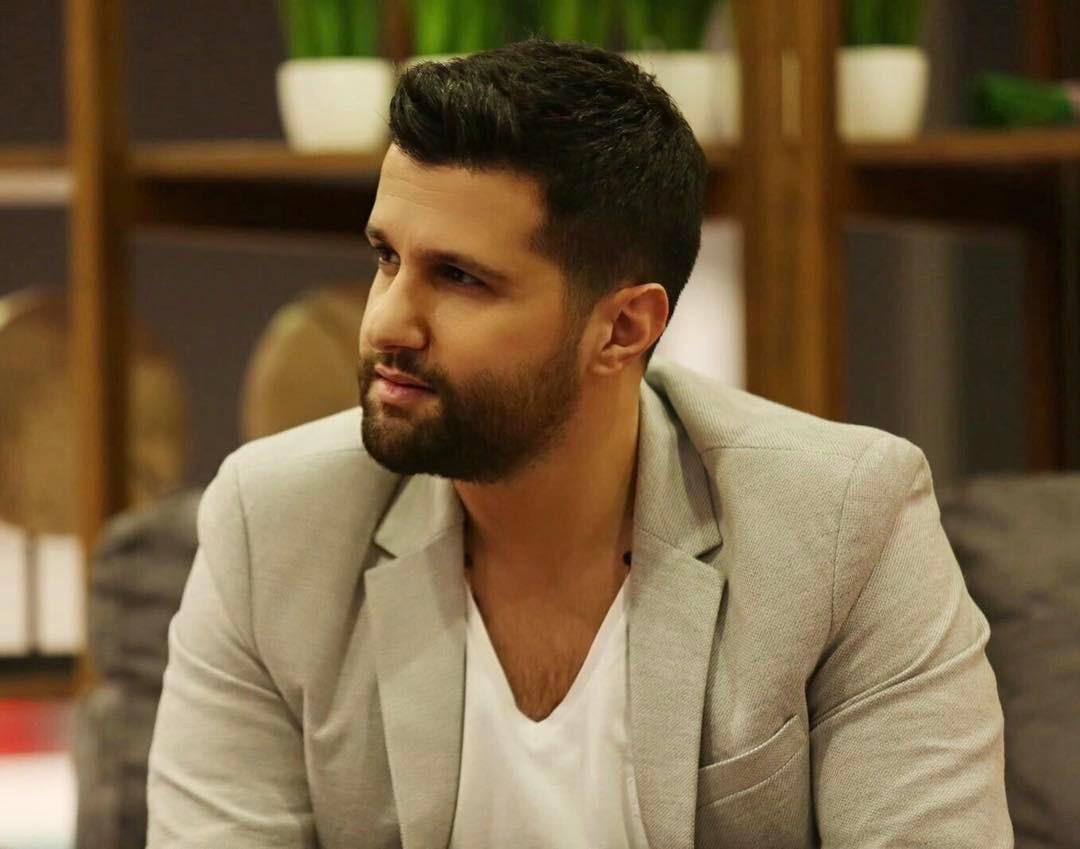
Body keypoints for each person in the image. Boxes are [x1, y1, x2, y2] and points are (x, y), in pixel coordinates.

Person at [146, 38, 1012, 849]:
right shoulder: (272, 526)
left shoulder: (843, 524)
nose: (386, 323)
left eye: (459, 277)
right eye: (386, 258)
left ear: (624, 327)